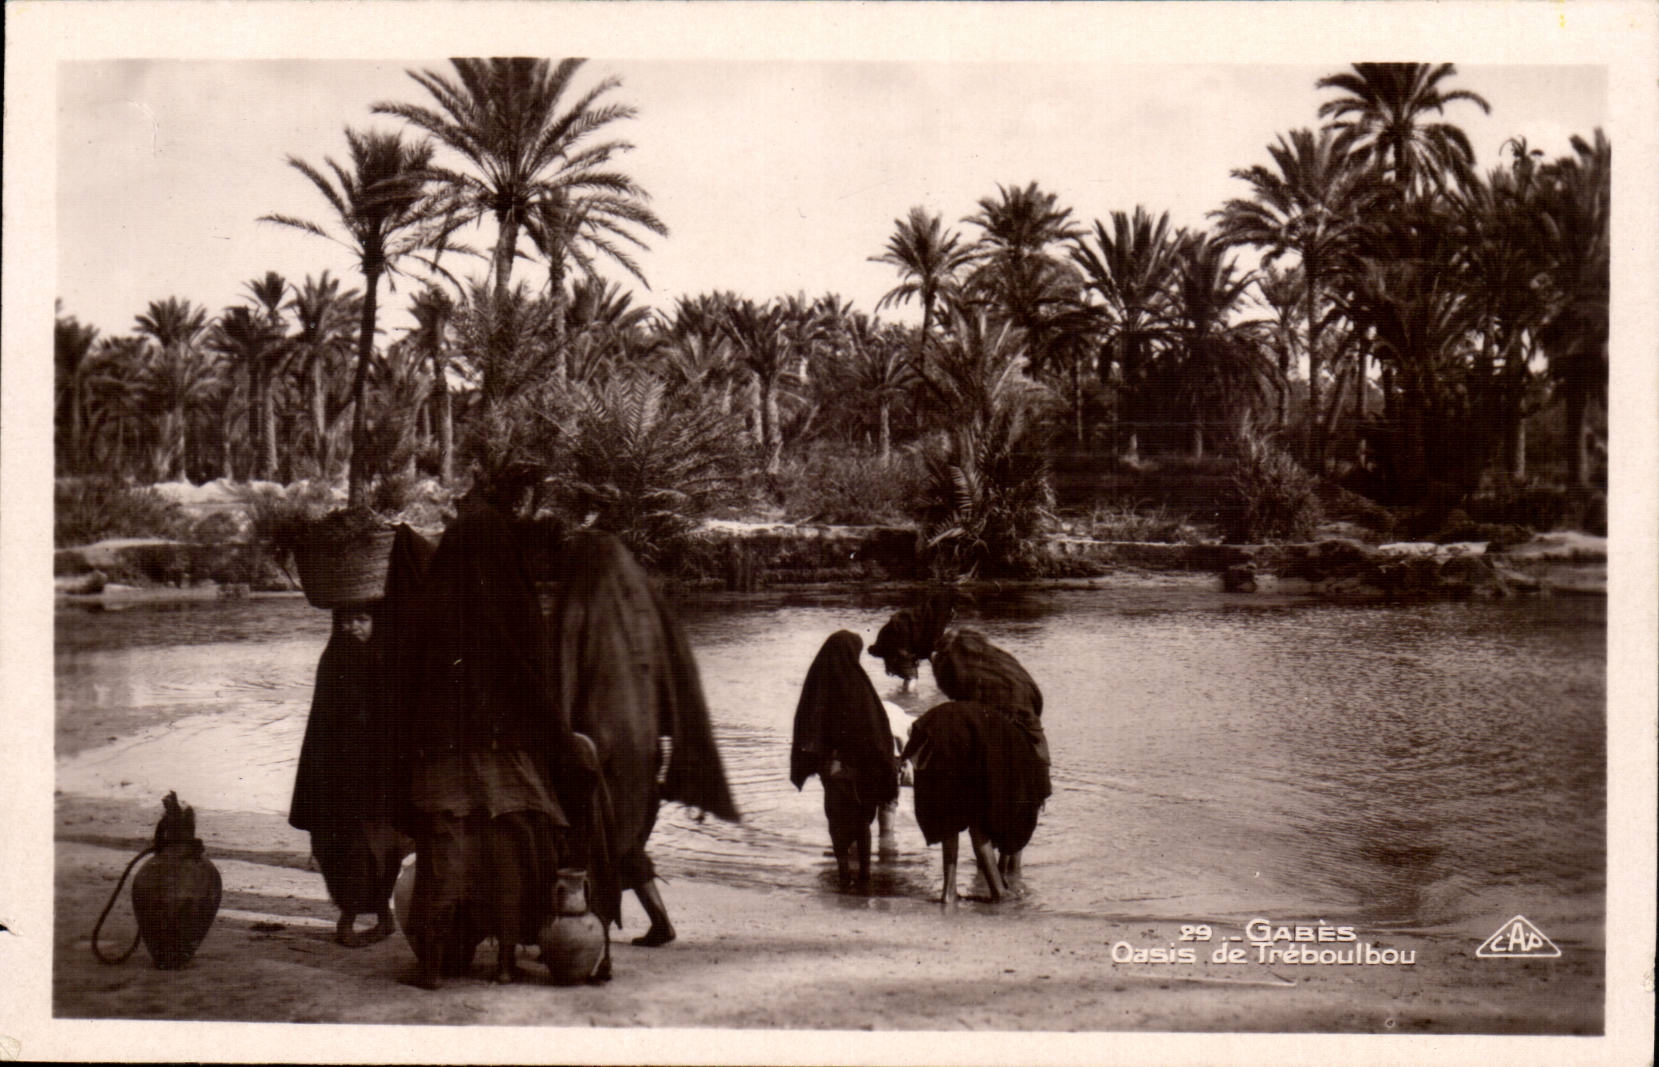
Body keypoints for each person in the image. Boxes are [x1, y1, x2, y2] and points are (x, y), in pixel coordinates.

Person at [399, 487, 598, 988]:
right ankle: (506, 963)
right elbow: (538, 678)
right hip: (507, 752)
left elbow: (405, 675)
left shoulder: (433, 599)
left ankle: (432, 967)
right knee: (510, 856)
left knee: (444, 859)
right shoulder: (515, 600)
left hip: (444, 753)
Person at [545, 529, 739, 947]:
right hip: (645, 749)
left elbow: (564, 676)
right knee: (626, 838)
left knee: (592, 838)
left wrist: (557, 737)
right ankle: (658, 922)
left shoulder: (580, 604)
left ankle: (592, 939)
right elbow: (671, 679)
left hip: (597, 746)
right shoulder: (643, 610)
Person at [288, 600, 411, 948]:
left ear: (377, 622)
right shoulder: (334, 658)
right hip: (339, 775)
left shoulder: (387, 658)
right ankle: (350, 917)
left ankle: (379, 915)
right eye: (345, 620)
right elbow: (323, 724)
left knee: (379, 847)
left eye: (362, 619)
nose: (352, 626)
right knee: (340, 846)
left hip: (378, 774)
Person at [791, 631, 901, 890]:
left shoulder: (818, 682)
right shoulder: (859, 684)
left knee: (836, 820)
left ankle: (843, 872)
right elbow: (876, 728)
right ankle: (865, 874)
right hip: (861, 769)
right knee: (862, 822)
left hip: (833, 769)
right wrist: (883, 766)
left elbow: (807, 725)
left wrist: (814, 761)